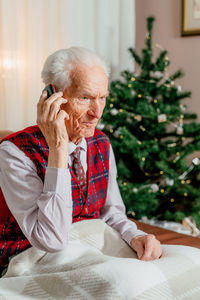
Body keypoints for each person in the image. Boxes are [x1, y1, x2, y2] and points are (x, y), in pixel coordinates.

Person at [0, 47, 162, 276]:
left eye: (102, 98)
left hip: (88, 249)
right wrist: (59, 148)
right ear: (52, 96)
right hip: (30, 260)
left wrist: (135, 236)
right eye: (85, 98)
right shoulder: (14, 152)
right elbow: (50, 240)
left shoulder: (101, 143)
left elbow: (111, 212)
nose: (97, 113)